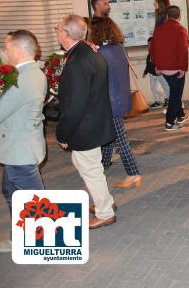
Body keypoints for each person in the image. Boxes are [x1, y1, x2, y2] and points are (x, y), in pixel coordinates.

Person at [56, 14, 116, 229]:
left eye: (58, 29)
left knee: (90, 170)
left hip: (84, 128)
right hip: (94, 122)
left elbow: (74, 107)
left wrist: (63, 135)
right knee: (91, 168)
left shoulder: (77, 60)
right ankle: (105, 201)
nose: (57, 32)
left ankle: (104, 212)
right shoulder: (89, 52)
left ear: (65, 34)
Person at [0, 30, 47, 253]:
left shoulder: (23, 79)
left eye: (7, 48)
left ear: (18, 50)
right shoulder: (31, 73)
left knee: (33, 201)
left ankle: (39, 242)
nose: (5, 52)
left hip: (20, 150)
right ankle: (25, 237)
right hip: (21, 146)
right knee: (12, 192)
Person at [88, 17, 142, 189]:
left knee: (121, 139)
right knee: (109, 137)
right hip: (120, 98)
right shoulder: (118, 48)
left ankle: (133, 173)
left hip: (110, 103)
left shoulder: (100, 53)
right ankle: (104, 165)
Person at [150, 5, 189, 131]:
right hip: (176, 69)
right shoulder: (181, 29)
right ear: (179, 16)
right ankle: (169, 123)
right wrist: (183, 68)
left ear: (167, 16)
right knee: (175, 96)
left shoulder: (158, 29)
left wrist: (156, 65)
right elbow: (183, 51)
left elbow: (153, 49)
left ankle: (181, 115)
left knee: (174, 92)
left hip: (162, 68)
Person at [143, 37, 169, 109]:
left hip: (160, 74)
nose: (149, 46)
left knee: (165, 87)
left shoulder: (159, 52)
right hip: (152, 74)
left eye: (151, 44)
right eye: (148, 45)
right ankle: (158, 101)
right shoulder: (149, 54)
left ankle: (168, 99)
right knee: (153, 88)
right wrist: (145, 72)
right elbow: (148, 64)